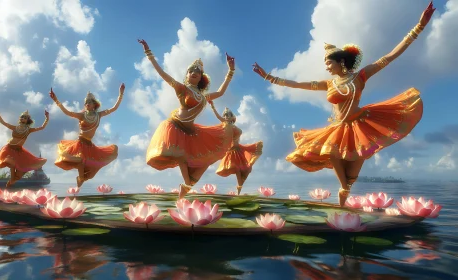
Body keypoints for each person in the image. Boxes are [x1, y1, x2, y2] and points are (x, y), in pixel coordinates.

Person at [252, 2, 435, 206]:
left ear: (341, 62)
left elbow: (389, 57)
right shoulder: (328, 84)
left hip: (361, 126)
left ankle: (345, 194)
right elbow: (297, 84)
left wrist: (419, 27)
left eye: (329, 62)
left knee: (352, 176)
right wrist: (269, 77)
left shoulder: (361, 76)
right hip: (337, 128)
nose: (327, 67)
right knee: (331, 153)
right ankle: (342, 189)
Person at [138, 39, 235, 199]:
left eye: (197, 71)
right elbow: (162, 73)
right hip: (175, 126)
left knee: (204, 162)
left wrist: (230, 71)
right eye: (191, 71)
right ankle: (186, 185)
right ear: (187, 75)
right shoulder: (181, 88)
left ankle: (185, 189)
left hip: (191, 132)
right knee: (181, 156)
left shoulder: (204, 97)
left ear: (201, 78)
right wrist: (149, 53)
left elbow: (221, 92)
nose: (194, 72)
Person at [49, 84, 125, 187]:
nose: (87, 104)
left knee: (91, 174)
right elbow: (68, 112)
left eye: (89, 102)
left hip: (90, 146)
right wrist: (56, 100)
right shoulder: (82, 115)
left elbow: (113, 108)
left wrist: (120, 94)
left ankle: (81, 179)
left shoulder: (99, 115)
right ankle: (80, 178)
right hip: (80, 144)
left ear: (94, 104)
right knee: (80, 161)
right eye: (86, 102)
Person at [208, 100, 263, 195]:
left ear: (231, 117)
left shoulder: (233, 126)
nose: (226, 117)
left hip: (239, 149)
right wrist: (213, 107)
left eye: (228, 115)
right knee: (237, 169)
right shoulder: (226, 125)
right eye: (225, 115)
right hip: (232, 151)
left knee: (245, 169)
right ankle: (239, 189)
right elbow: (218, 116)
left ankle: (239, 189)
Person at [0, 102, 49, 187]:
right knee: (10, 162)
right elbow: (2, 122)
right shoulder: (15, 127)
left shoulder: (28, 130)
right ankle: (11, 180)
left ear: (28, 120)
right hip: (9, 148)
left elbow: (42, 127)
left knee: (18, 176)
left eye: (25, 117)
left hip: (19, 151)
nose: (23, 118)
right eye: (22, 117)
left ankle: (13, 180)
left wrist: (47, 118)